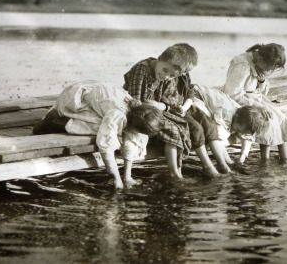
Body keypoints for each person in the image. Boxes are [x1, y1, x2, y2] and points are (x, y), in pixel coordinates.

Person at [32, 80, 181, 189]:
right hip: (74, 98)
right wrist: (116, 178)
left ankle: (62, 120)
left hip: (95, 98)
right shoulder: (117, 114)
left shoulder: (139, 111)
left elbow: (134, 139)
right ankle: (54, 121)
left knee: (116, 131)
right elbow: (106, 146)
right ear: (134, 125)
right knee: (100, 129)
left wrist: (127, 177)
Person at [123, 43, 229, 177]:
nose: (166, 76)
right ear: (160, 58)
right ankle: (175, 173)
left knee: (182, 127)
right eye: (165, 70)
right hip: (140, 111)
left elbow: (173, 98)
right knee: (174, 130)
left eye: (172, 75)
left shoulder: (172, 75)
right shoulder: (142, 69)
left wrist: (162, 105)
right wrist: (155, 106)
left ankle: (178, 171)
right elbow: (135, 99)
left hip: (157, 109)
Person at [222, 43, 287, 160]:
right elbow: (232, 94)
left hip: (253, 99)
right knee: (268, 119)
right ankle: (265, 160)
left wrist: (262, 80)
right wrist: (258, 106)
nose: (269, 71)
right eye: (269, 69)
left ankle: (285, 160)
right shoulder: (242, 65)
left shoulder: (259, 63)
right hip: (237, 101)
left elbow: (262, 93)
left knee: (281, 118)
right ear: (260, 59)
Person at [194, 84, 271, 164]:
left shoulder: (241, 111)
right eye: (237, 129)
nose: (238, 132)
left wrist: (242, 157)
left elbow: (248, 137)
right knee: (214, 131)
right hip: (195, 94)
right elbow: (217, 139)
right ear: (236, 117)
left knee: (233, 134)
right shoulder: (224, 115)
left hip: (204, 92)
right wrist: (230, 162)